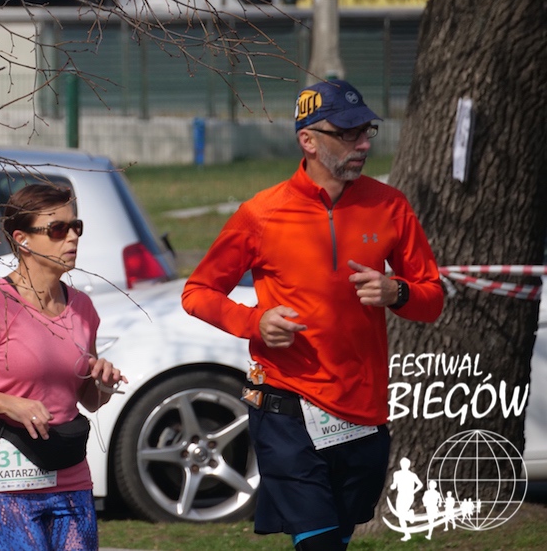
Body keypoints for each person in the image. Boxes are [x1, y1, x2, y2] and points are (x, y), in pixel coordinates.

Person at [181, 79, 444, 550]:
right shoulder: (262, 213)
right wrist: (255, 322)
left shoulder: (390, 206)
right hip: (286, 407)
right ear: (308, 140)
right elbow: (198, 292)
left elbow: (432, 298)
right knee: (318, 541)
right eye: (347, 134)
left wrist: (397, 291)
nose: (362, 144)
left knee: (336, 538)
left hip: (361, 410)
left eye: (365, 132)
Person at [0, 184, 127, 551]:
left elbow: (88, 400)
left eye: (75, 226)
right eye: (57, 229)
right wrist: (7, 403)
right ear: (22, 239)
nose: (72, 237)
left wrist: (103, 383)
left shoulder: (82, 308)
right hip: (4, 481)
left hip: (68, 473)